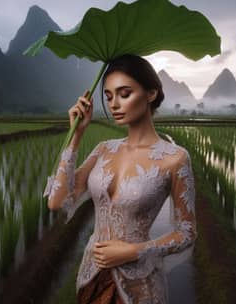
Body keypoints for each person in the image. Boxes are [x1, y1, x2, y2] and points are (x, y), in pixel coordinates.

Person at [43, 54, 198, 304]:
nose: (114, 104)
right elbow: (56, 202)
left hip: (140, 284)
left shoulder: (175, 158)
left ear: (151, 94)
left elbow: (187, 232)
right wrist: (76, 136)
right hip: (91, 277)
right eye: (108, 96)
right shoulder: (104, 150)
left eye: (124, 94)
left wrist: (133, 251)